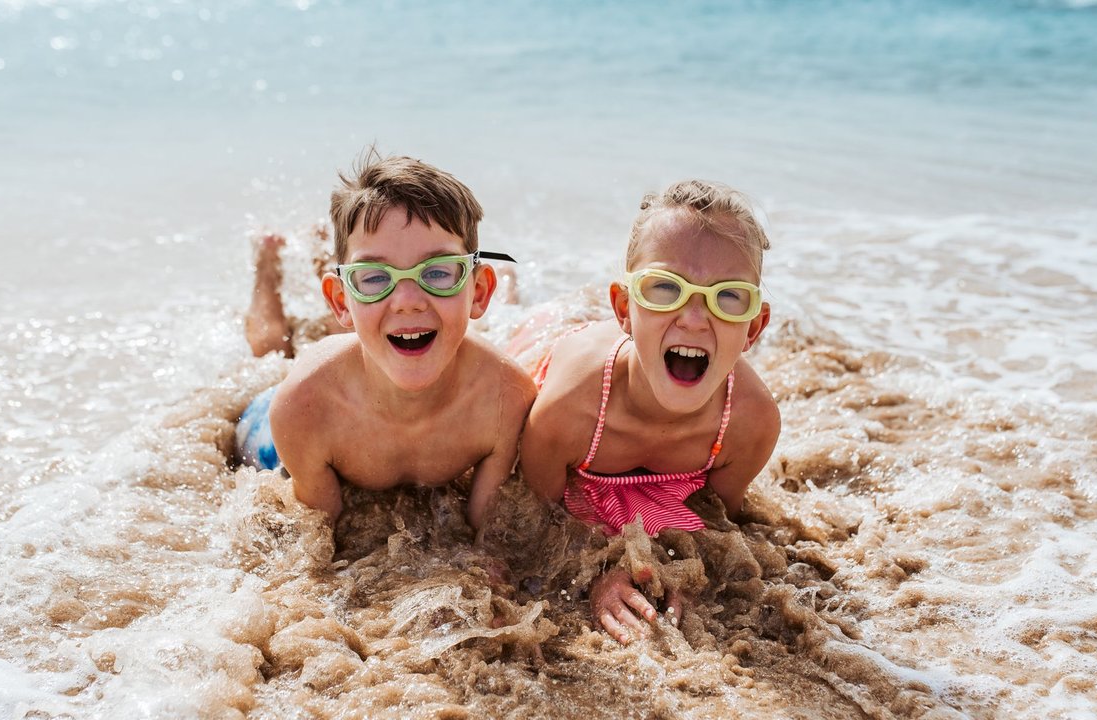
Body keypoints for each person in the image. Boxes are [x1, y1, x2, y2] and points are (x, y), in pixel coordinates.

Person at [518, 179, 781, 645]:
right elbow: (531, 521)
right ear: (623, 306)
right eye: (665, 289)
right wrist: (597, 573)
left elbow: (714, 523)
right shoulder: (567, 408)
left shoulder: (749, 423)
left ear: (754, 328)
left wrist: (681, 573)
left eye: (728, 297)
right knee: (525, 326)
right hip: (557, 352)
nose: (695, 318)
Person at [235, 150, 536, 532]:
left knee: (376, 322)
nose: (409, 301)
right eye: (376, 276)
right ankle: (268, 264)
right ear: (339, 302)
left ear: (478, 293)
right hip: (273, 431)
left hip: (358, 354)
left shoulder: (506, 400)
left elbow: (490, 538)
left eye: (439, 272)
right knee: (271, 350)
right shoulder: (304, 404)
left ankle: (349, 265)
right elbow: (318, 545)